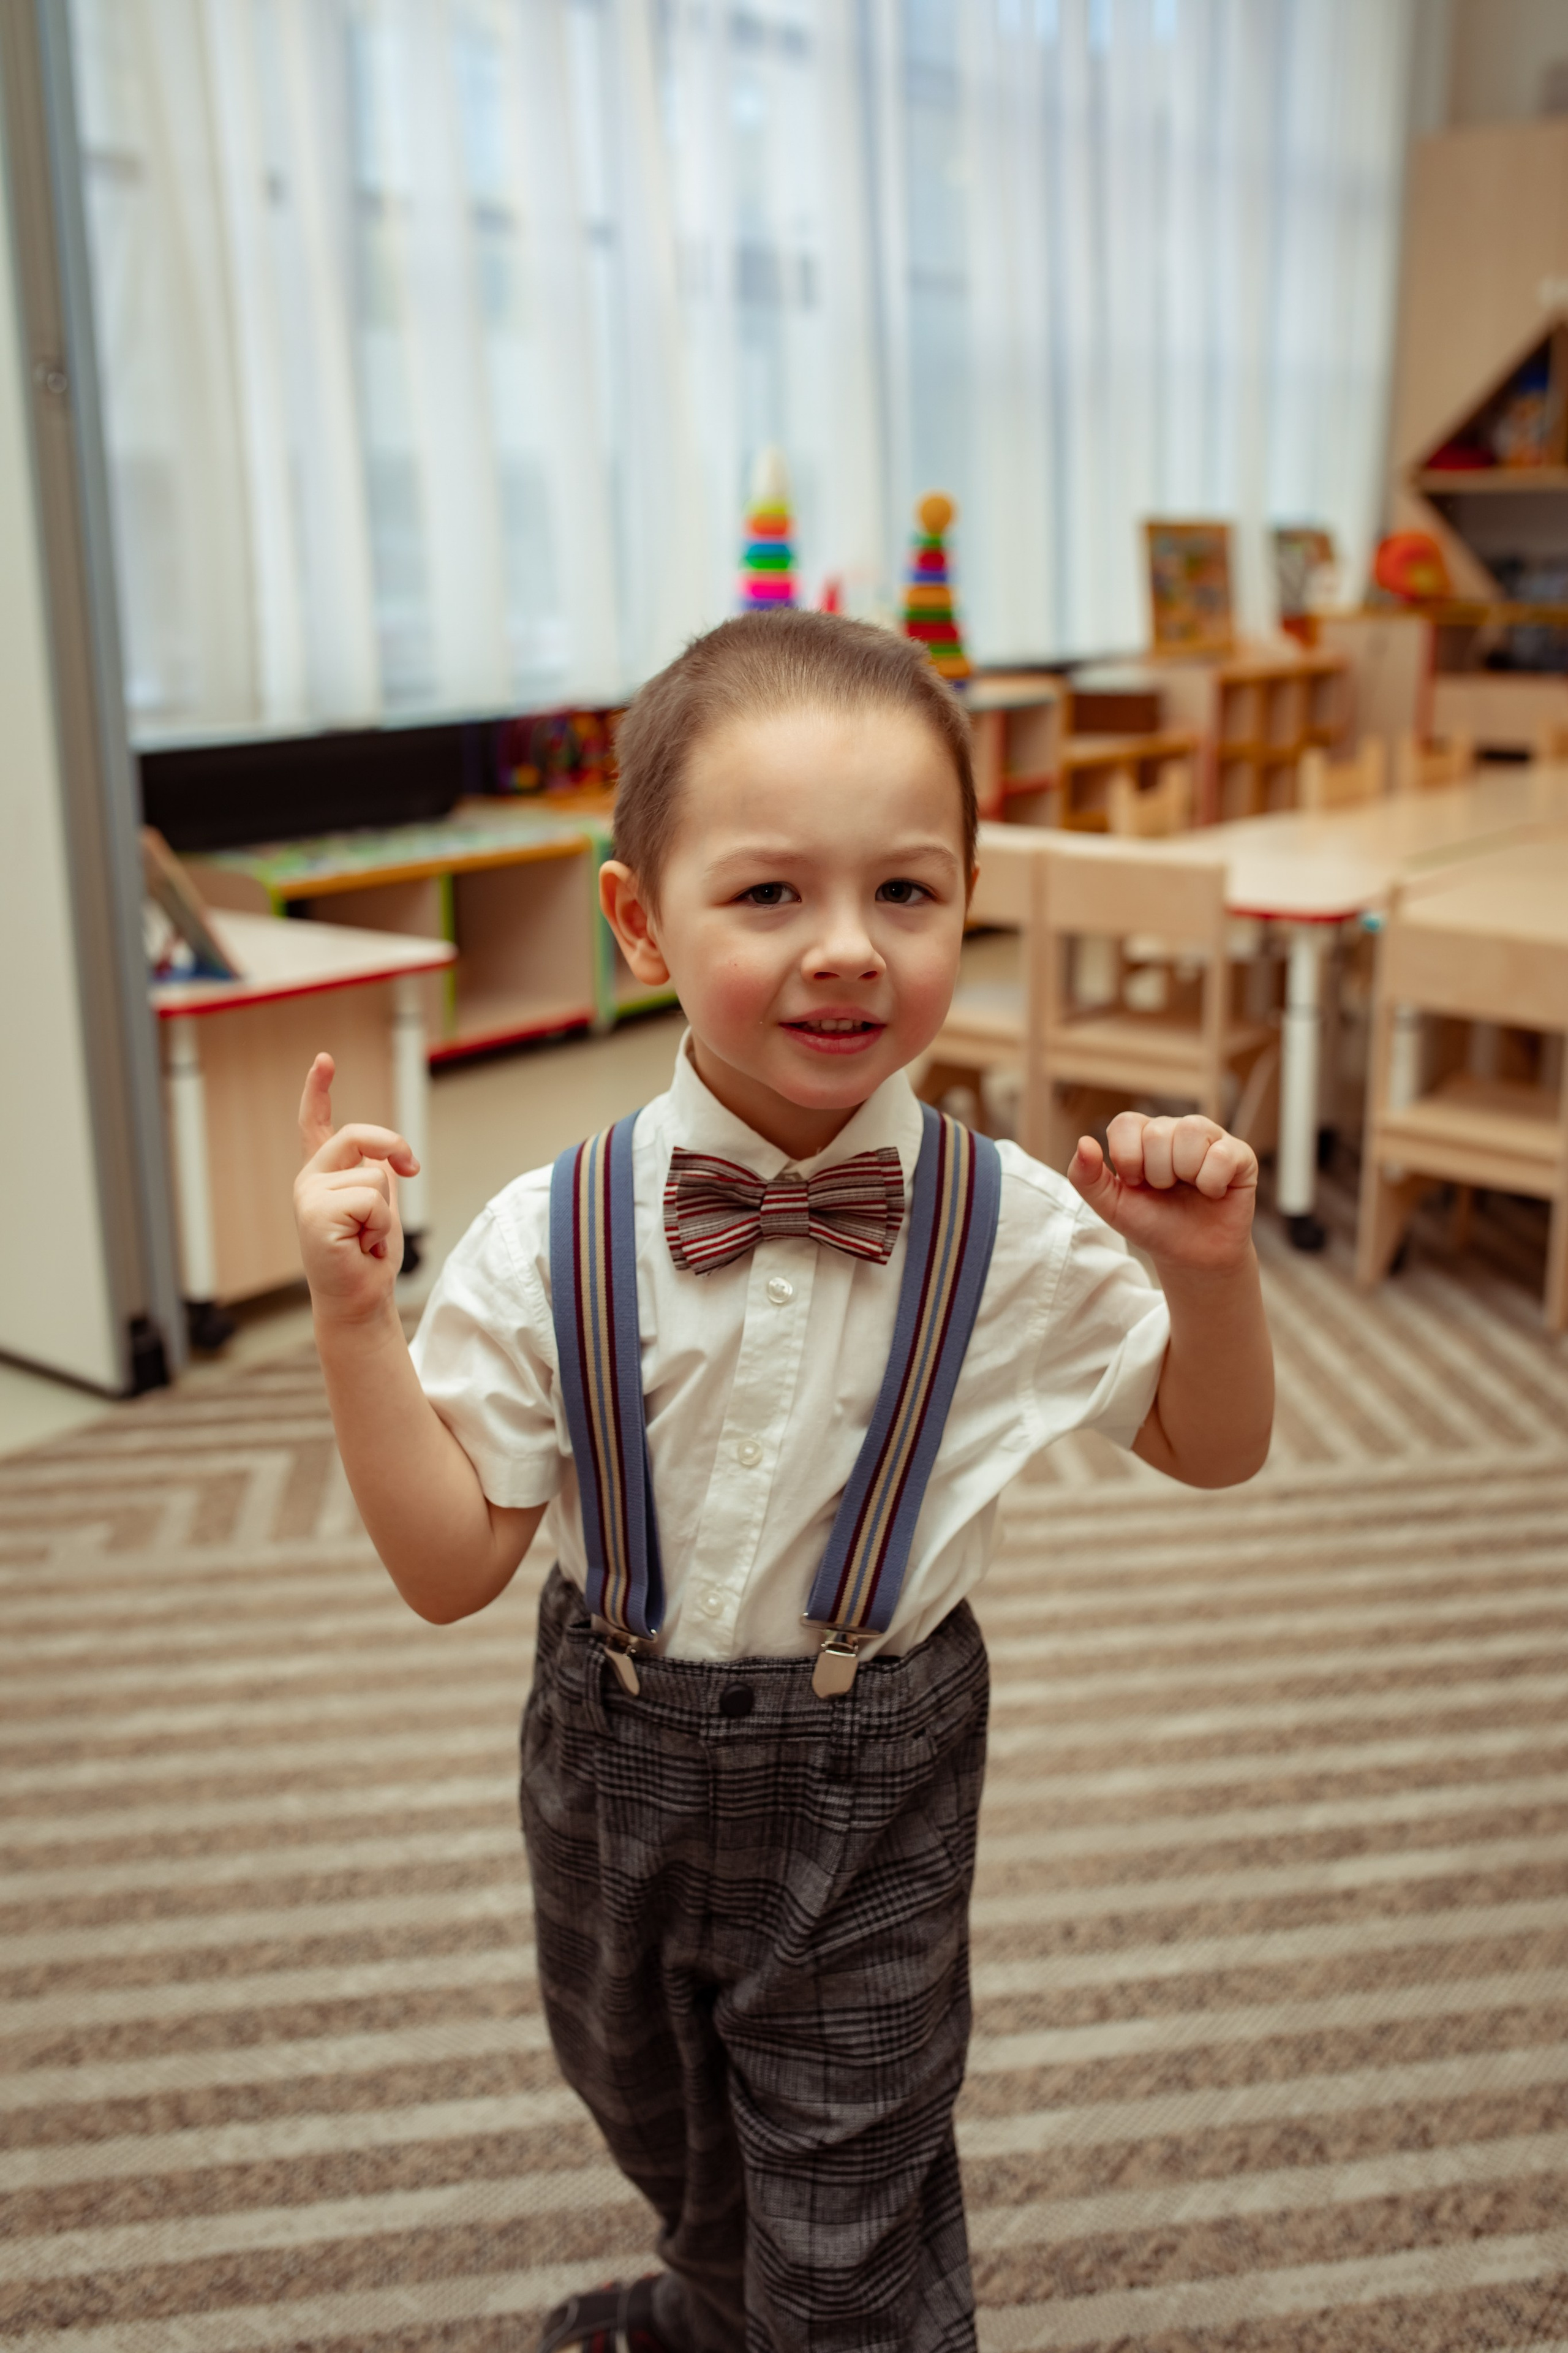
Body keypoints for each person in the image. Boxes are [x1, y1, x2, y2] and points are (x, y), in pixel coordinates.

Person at [293, 611, 1273, 2353]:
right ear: (637, 921)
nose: (846, 950)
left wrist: (1207, 1275)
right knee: (648, 2101)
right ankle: (707, 2292)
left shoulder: (1011, 1223)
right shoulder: (547, 1235)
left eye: (905, 892)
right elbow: (449, 1568)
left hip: (874, 1768)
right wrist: (356, 1323)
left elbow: (1215, 1443)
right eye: (768, 894)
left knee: (850, 2192)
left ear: (968, 898)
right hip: (607, 1751)